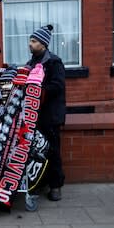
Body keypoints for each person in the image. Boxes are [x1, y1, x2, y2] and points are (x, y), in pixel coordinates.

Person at [26, 25, 66, 201]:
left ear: (43, 44)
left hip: (51, 116)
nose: (30, 44)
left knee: (52, 151)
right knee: (36, 151)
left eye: (33, 41)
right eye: (30, 40)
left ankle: (56, 186)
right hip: (36, 116)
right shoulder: (31, 63)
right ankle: (38, 183)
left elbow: (58, 86)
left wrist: (39, 91)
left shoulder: (53, 62)